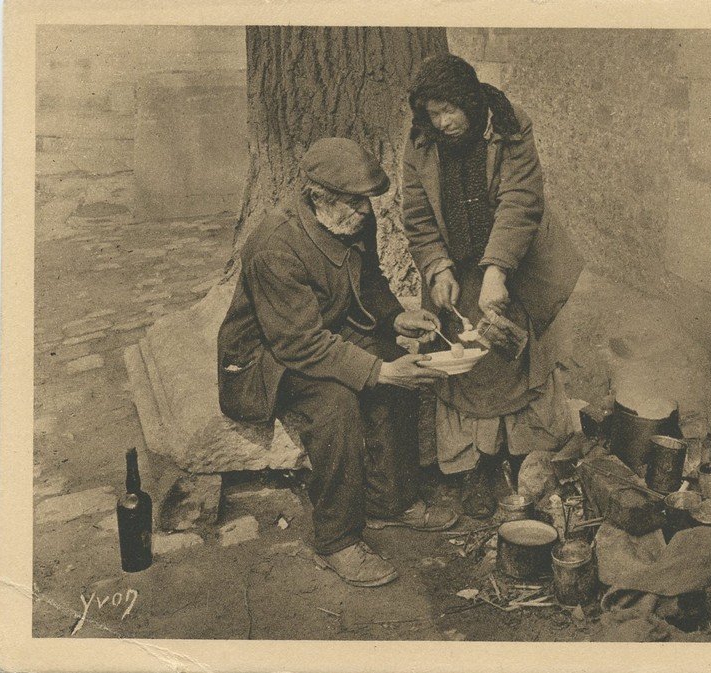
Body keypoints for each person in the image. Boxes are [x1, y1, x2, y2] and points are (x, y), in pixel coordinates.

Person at [217, 137, 458, 588]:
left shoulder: (348, 220)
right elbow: (297, 344)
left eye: (367, 201)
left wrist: (395, 317)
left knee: (397, 372)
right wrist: (378, 371)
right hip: (267, 357)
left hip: (319, 332)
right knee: (336, 403)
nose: (366, 212)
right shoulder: (274, 244)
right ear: (320, 198)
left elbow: (368, 280)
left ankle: (389, 501)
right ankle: (337, 540)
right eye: (355, 202)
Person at [402, 54, 583, 517]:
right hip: (456, 259)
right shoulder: (421, 142)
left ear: (469, 100)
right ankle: (474, 469)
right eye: (433, 113)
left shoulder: (507, 124)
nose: (443, 123)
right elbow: (419, 215)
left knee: (513, 355)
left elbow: (520, 200)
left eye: (451, 110)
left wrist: (497, 271)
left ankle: (519, 462)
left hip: (514, 256)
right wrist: (437, 267)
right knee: (466, 365)